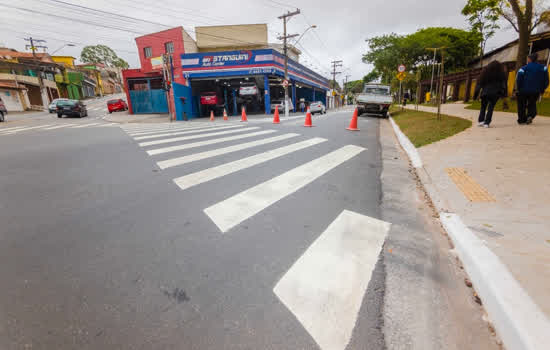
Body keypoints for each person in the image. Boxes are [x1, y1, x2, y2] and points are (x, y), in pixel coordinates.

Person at [516, 53, 549, 125]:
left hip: (523, 90)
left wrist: (518, 88)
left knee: (521, 105)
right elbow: (546, 81)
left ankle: (521, 120)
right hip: (536, 90)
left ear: (529, 59)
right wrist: (542, 89)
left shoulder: (523, 68)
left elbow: (519, 79)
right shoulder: (544, 68)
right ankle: (530, 115)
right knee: (532, 103)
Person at [473, 60, 507, 128]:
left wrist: (475, 95)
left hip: (485, 92)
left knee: (483, 107)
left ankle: (481, 121)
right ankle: (487, 123)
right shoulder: (501, 73)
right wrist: (504, 95)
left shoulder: (485, 72)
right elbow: (504, 85)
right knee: (491, 107)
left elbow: (479, 84)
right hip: (495, 93)